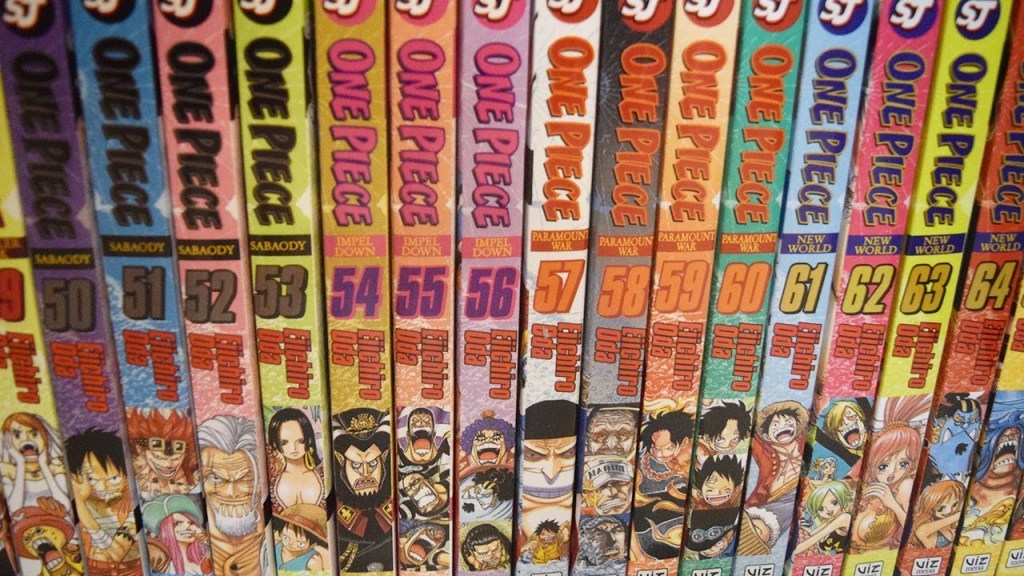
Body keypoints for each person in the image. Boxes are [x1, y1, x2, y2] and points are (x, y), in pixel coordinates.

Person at [66, 428, 142, 575]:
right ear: (75, 476)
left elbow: (116, 555)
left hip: (131, 571)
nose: (103, 488)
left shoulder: (135, 506)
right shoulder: (71, 504)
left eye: (114, 478)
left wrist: (79, 504)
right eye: (92, 479)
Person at [198, 415, 265, 576]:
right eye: (216, 478)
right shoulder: (187, 531)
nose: (231, 493)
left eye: (245, 478)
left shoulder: (280, 535)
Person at [1, 413, 70, 511]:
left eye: (34, 434)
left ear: (45, 437)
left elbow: (65, 507)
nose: (26, 440)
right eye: (17, 435)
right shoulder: (8, 470)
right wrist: (20, 463)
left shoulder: (56, 466)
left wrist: (44, 466)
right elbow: (14, 509)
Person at [127, 408, 199, 498]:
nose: (168, 465)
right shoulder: (138, 477)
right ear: (141, 450)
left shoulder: (194, 479)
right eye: (158, 457)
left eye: (176, 458)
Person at [267, 408, 325, 512]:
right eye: (284, 442)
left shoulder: (323, 474)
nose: (293, 448)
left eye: (300, 441)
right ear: (275, 443)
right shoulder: (271, 478)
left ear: (309, 439)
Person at [142, 495, 212, 575]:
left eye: (191, 523)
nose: (186, 527)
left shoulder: (204, 560)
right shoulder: (163, 566)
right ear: (165, 530)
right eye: (177, 523)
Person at [794, 481, 853, 555]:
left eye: (834, 502)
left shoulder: (844, 518)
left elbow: (814, 539)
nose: (828, 510)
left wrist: (794, 551)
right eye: (821, 509)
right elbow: (812, 535)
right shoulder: (832, 519)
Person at [907, 480, 965, 549]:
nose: (949, 511)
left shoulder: (955, 521)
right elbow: (921, 532)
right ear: (930, 506)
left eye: (954, 505)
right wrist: (956, 517)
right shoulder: (925, 527)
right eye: (941, 508)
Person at [272, 504, 329, 572]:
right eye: (286, 537)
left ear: (313, 543)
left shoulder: (313, 561)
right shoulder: (275, 546)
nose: (290, 544)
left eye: (300, 543)